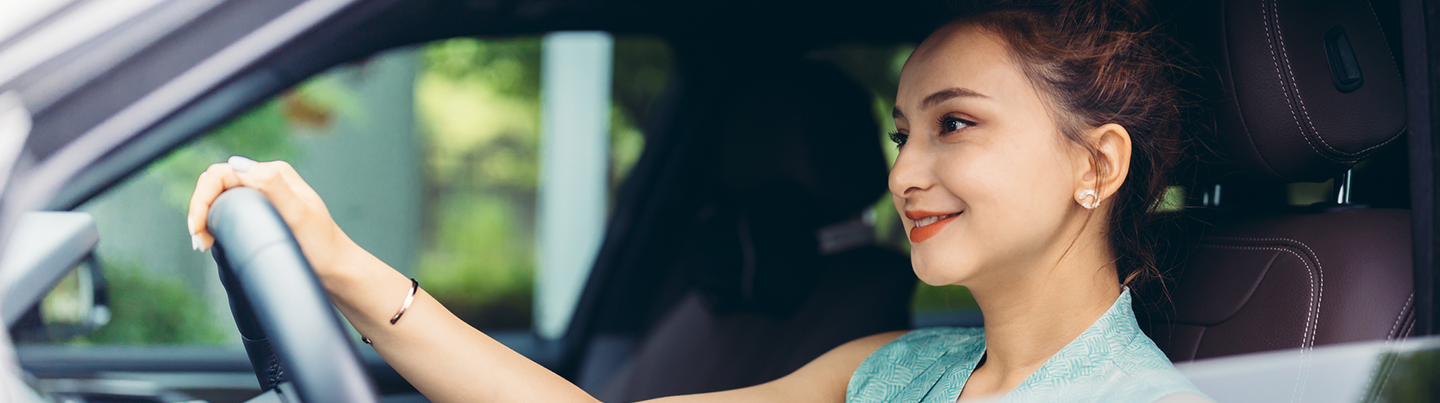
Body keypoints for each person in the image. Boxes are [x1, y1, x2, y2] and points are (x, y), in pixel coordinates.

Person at [186, 1, 1211, 401]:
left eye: (955, 124)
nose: (902, 173)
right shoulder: (894, 368)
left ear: (1098, 164)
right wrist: (344, 268)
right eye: (904, 131)